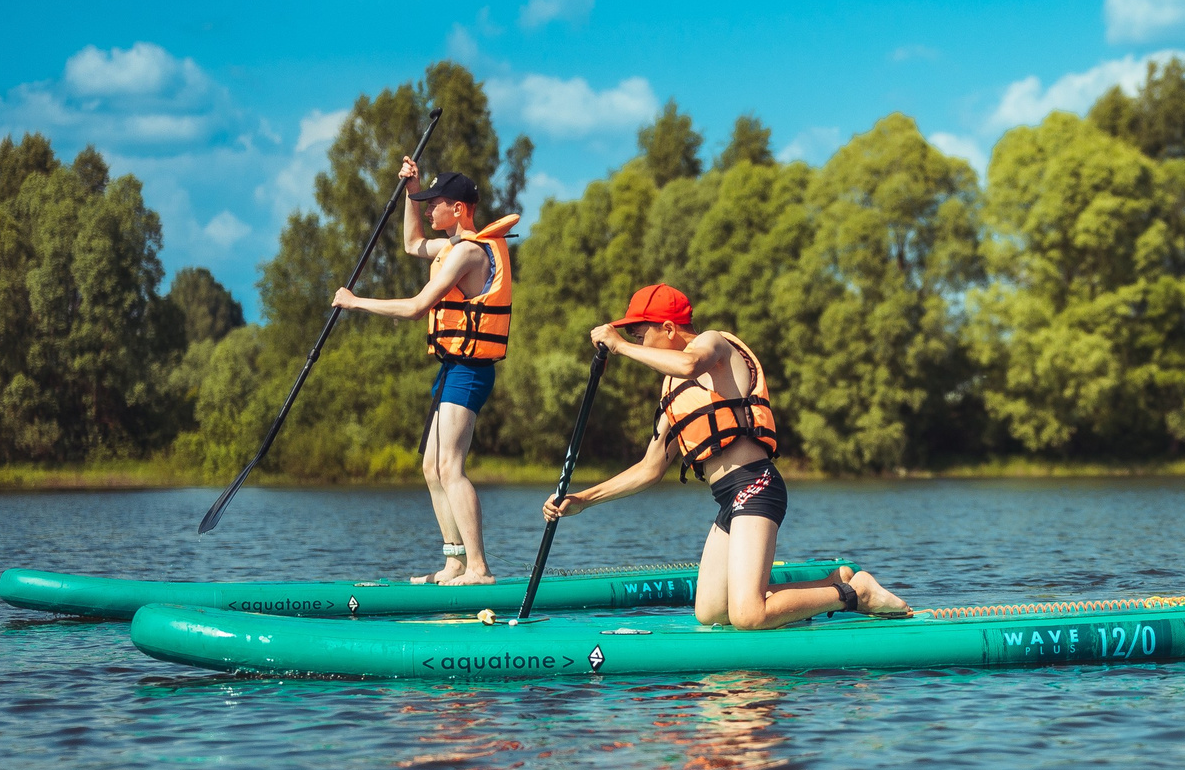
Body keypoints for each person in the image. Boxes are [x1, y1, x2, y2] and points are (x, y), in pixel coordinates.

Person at [540, 284, 908, 627]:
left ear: (668, 328)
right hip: (729, 500)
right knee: (711, 612)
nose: (635, 338)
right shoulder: (674, 391)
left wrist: (619, 347)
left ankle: (855, 593)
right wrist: (582, 500)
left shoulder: (712, 345)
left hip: (757, 484)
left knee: (748, 615)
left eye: (640, 332)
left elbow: (688, 364)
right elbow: (649, 469)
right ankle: (833, 582)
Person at [331, 160, 516, 585]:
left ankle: (479, 568)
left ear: (458, 209)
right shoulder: (448, 246)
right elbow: (413, 243)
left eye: (434, 204)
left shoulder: (469, 251)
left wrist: (356, 302)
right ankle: (454, 561)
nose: (429, 210)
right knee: (432, 468)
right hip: (453, 367)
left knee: (450, 466)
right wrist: (410, 189)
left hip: (470, 370)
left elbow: (416, 308)